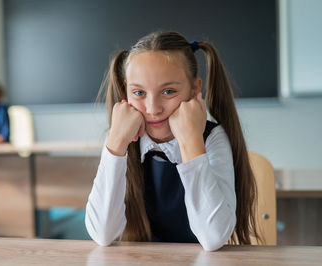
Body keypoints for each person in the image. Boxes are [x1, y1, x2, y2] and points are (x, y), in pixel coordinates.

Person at [85, 32, 261, 251]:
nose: (153, 109)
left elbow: (214, 238)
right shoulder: (120, 137)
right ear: (125, 90)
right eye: (139, 92)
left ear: (195, 89)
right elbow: (103, 234)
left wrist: (190, 142)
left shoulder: (212, 138)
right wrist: (116, 143)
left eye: (168, 91)